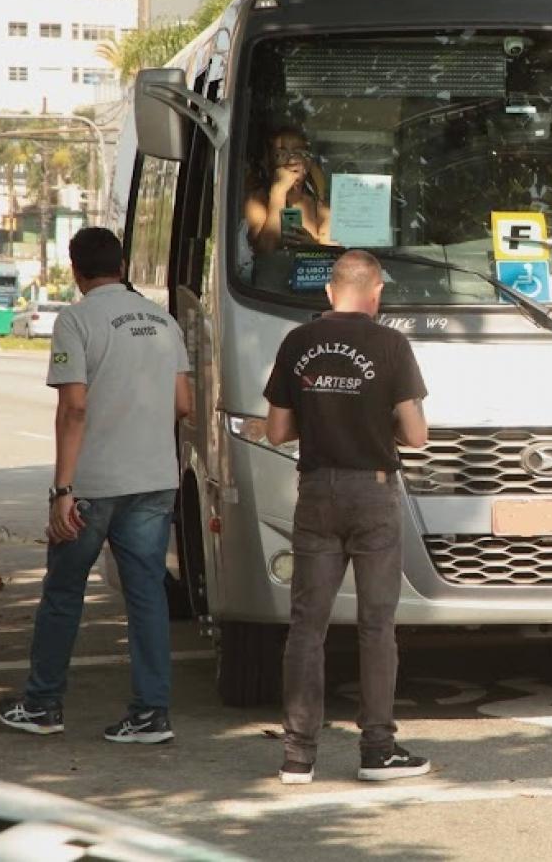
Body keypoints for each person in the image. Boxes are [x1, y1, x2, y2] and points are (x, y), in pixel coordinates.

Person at [0, 227, 191, 743]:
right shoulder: (164, 322)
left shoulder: (77, 320)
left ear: (77, 270)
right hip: (154, 480)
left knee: (63, 591)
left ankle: (42, 705)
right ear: (122, 265)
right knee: (147, 594)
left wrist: (62, 490)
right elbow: (183, 403)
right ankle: (151, 713)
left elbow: (74, 406)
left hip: (93, 485)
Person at [263, 249, 430, 785]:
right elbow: (417, 434)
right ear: (375, 292)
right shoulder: (390, 344)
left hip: (316, 491)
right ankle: (377, 750)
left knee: (307, 625)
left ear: (330, 291)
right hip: (373, 493)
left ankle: (297, 755)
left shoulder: (298, 342)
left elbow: (277, 431)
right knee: (377, 626)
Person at [245, 124, 334, 255]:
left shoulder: (319, 207)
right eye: (280, 154)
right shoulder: (258, 200)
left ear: (308, 163)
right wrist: (278, 193)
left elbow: (333, 260)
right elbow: (264, 252)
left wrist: (312, 246)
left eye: (298, 152)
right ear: (270, 161)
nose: (291, 159)